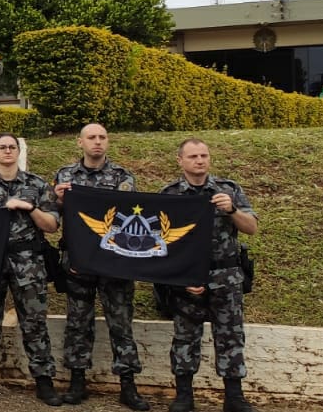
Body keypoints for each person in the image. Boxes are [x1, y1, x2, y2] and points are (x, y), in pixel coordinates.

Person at [51, 123, 150, 409]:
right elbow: (52, 214)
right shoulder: (66, 175)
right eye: (91, 137)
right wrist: (57, 199)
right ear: (80, 143)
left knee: (121, 323)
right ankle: (77, 381)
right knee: (78, 323)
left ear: (108, 142)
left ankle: (128, 385)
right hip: (78, 262)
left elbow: (127, 213)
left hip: (116, 261)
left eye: (102, 137)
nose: (97, 142)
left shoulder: (123, 176)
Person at [160, 139, 258, 412]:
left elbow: (251, 228)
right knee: (184, 338)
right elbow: (160, 242)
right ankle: (183, 395)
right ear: (180, 160)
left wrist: (232, 210)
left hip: (225, 276)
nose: (199, 160)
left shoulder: (229, 190)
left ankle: (234, 397)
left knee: (230, 337)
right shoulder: (169, 194)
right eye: (192, 156)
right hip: (186, 277)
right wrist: (179, 278)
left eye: (204, 155)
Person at [0, 134, 61, 405]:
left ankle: (44, 381)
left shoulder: (37, 184)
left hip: (28, 261)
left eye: (12, 147)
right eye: (1, 147)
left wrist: (28, 207)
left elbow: (51, 226)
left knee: (34, 323)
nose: (7, 151)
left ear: (19, 151)